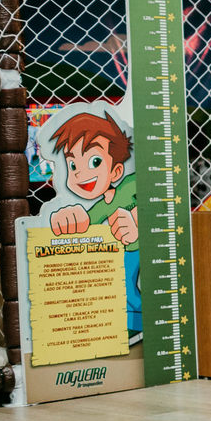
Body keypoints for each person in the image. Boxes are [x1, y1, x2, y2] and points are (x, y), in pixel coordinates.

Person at [48, 111, 141, 341]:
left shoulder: (132, 186)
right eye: (72, 164)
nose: (80, 172)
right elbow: (83, 222)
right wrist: (64, 219)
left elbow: (154, 213)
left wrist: (137, 227)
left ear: (116, 171)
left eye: (94, 161)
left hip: (136, 309)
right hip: (105, 309)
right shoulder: (97, 209)